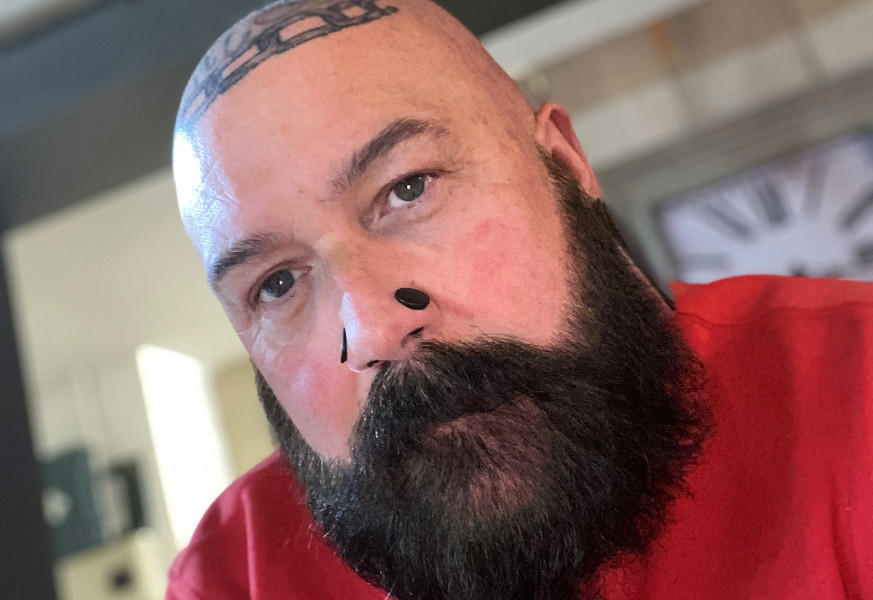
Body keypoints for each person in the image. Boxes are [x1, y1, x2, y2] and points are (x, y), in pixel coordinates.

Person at [168, 0, 873, 598]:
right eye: (277, 284)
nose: (375, 329)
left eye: (408, 188)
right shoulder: (238, 575)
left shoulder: (854, 391)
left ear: (564, 162)